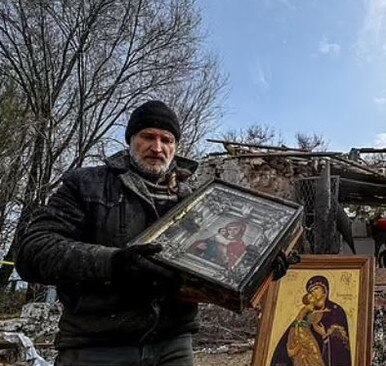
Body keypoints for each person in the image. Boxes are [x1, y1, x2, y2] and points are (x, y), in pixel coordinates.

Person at [15, 100, 290, 366]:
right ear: (131, 139)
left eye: (167, 140)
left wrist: (260, 267)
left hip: (173, 344)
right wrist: (114, 263)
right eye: (148, 136)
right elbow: (34, 251)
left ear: (176, 146)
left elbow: (215, 269)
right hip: (96, 345)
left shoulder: (199, 202)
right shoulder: (87, 185)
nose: (157, 147)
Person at [271, 275, 351, 366]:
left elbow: (342, 346)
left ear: (325, 291)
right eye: (311, 291)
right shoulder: (307, 313)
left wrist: (325, 336)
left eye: (316, 288)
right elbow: (292, 333)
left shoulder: (336, 311)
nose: (313, 293)